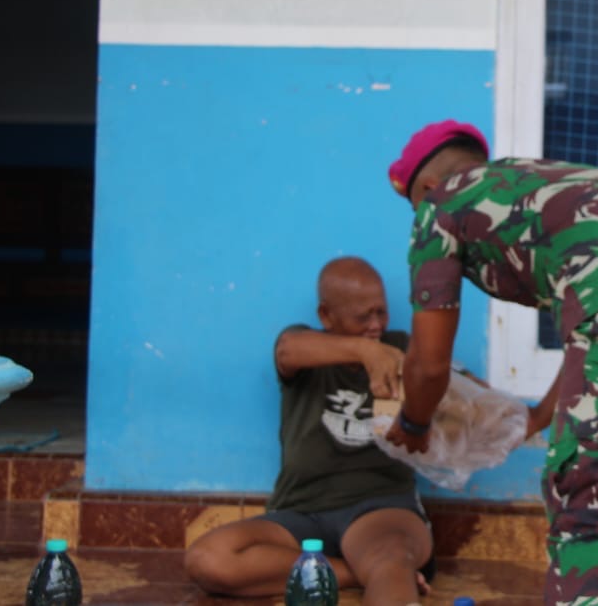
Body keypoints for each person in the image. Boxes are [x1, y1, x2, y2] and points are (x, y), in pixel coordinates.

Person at [382, 119, 598, 604]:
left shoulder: (440, 205)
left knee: (585, 490)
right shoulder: (536, 182)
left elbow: (429, 363)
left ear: (428, 186)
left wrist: (413, 425)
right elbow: (592, 320)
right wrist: (541, 416)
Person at [184, 256, 434, 604]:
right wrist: (365, 352)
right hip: (301, 513)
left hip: (379, 512)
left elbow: (453, 387)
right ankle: (353, 573)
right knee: (208, 558)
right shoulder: (304, 347)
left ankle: (382, 569)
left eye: (382, 312)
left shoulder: (401, 348)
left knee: (390, 558)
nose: (376, 325)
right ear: (326, 316)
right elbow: (288, 351)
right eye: (363, 317)